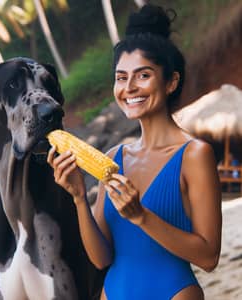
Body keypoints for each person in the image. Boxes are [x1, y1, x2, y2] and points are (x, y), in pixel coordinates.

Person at [47, 4, 222, 300]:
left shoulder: (194, 154)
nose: (129, 87)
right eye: (121, 77)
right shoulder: (114, 157)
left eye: (143, 75)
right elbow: (102, 258)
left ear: (171, 82)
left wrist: (140, 216)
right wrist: (78, 197)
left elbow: (208, 257)